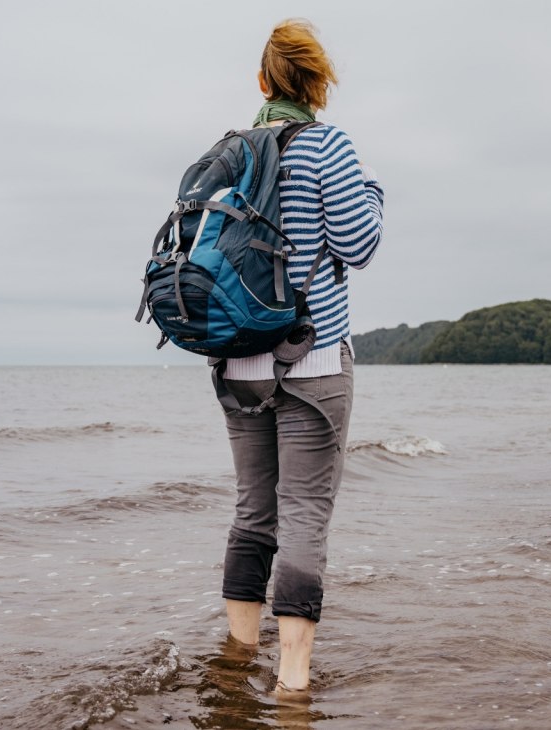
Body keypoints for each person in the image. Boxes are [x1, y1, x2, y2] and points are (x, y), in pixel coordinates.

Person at [218, 19, 384, 695]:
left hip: (236, 361)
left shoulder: (230, 154)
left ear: (262, 83)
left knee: (253, 511)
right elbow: (360, 246)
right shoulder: (328, 147)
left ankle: (234, 661)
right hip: (312, 360)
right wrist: (372, 192)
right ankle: (291, 681)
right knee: (305, 516)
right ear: (319, 85)